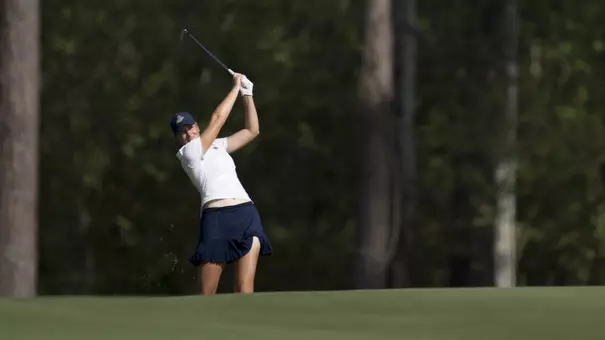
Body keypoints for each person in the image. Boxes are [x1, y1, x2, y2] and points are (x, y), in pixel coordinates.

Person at [169, 73, 272, 295]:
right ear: (179, 139)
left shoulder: (218, 145)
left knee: (245, 291)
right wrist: (235, 87)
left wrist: (247, 94)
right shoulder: (188, 154)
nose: (188, 135)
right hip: (216, 218)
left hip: (245, 212)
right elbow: (217, 119)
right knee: (206, 295)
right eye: (182, 133)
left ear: (196, 126)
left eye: (190, 128)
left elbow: (252, 131)